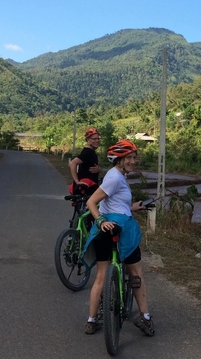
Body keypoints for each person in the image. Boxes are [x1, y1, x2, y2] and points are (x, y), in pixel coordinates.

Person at [83, 139, 154, 337]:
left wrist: (133, 207)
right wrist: (100, 222)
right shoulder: (115, 178)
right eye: (128, 158)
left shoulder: (115, 176)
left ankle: (91, 321)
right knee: (136, 272)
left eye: (133, 157)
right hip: (119, 229)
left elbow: (113, 204)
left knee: (101, 276)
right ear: (118, 160)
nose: (132, 161)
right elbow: (91, 202)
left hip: (110, 228)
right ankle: (145, 318)